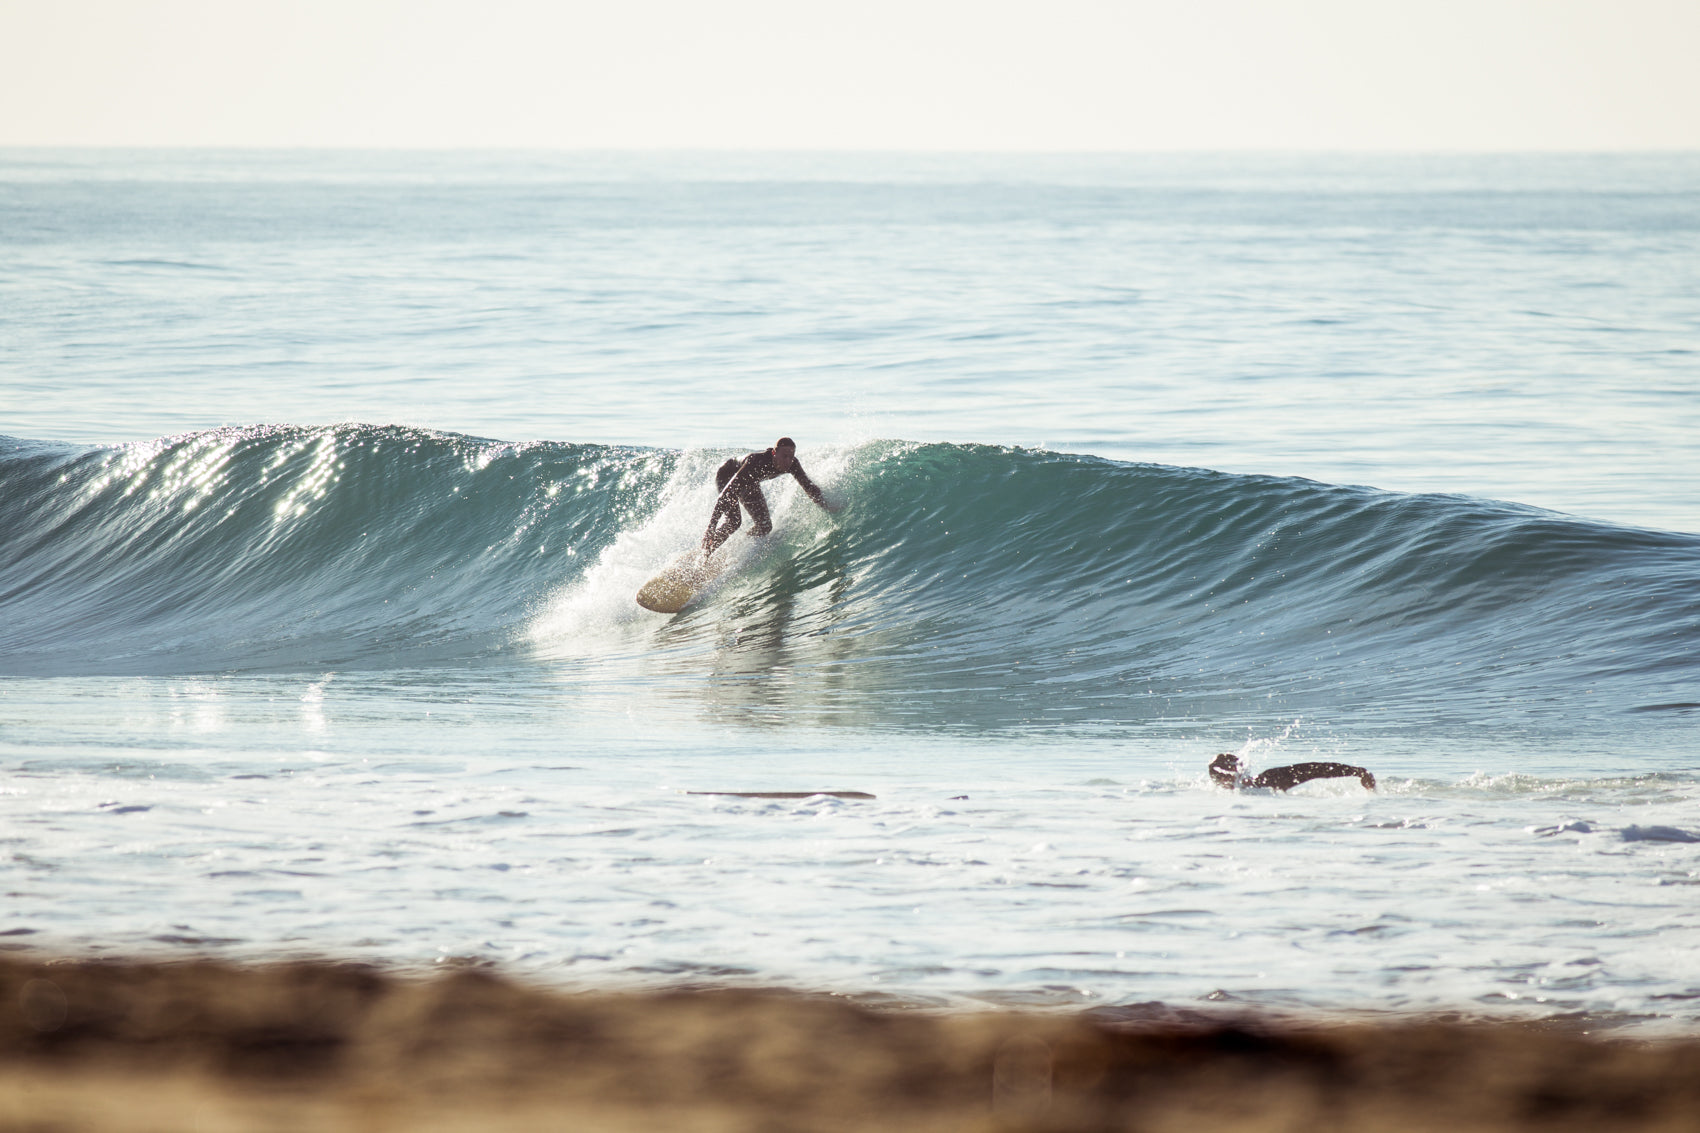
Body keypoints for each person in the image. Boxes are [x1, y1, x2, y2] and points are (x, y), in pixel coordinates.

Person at [702, 437, 839, 558]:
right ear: (774, 453)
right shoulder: (756, 462)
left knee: (764, 526)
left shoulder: (792, 464)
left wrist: (827, 505)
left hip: (750, 482)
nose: (788, 461)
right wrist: (711, 526)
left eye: (791, 457)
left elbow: (809, 487)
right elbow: (724, 496)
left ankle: (738, 550)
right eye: (784, 456)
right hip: (727, 475)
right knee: (734, 521)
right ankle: (705, 555)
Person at [1209, 752, 1376, 792]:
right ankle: (1358, 772)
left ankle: (1358, 771)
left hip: (1270, 780)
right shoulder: (1237, 791)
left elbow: (1315, 769)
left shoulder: (1266, 780)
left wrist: (1359, 772)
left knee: (1313, 769)